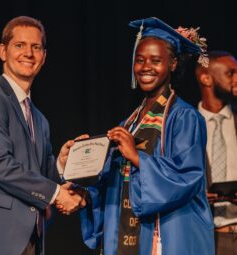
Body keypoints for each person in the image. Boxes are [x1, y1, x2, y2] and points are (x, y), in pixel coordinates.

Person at [0, 16, 85, 255]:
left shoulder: (39, 119)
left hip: (26, 240)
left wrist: (61, 165)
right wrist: (57, 194)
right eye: (19, 45)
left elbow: (36, 176)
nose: (28, 53)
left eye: (36, 47)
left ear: (44, 57)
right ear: (3, 51)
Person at [75, 17, 215, 255]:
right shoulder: (129, 123)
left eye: (155, 60)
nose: (145, 67)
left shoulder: (184, 117)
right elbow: (115, 185)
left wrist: (138, 158)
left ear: (172, 64)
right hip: (128, 234)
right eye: (140, 60)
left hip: (170, 235)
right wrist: (83, 172)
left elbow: (188, 177)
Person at [195, 50, 237, 255]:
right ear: (206, 78)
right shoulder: (187, 124)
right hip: (203, 236)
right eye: (231, 73)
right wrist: (195, 195)